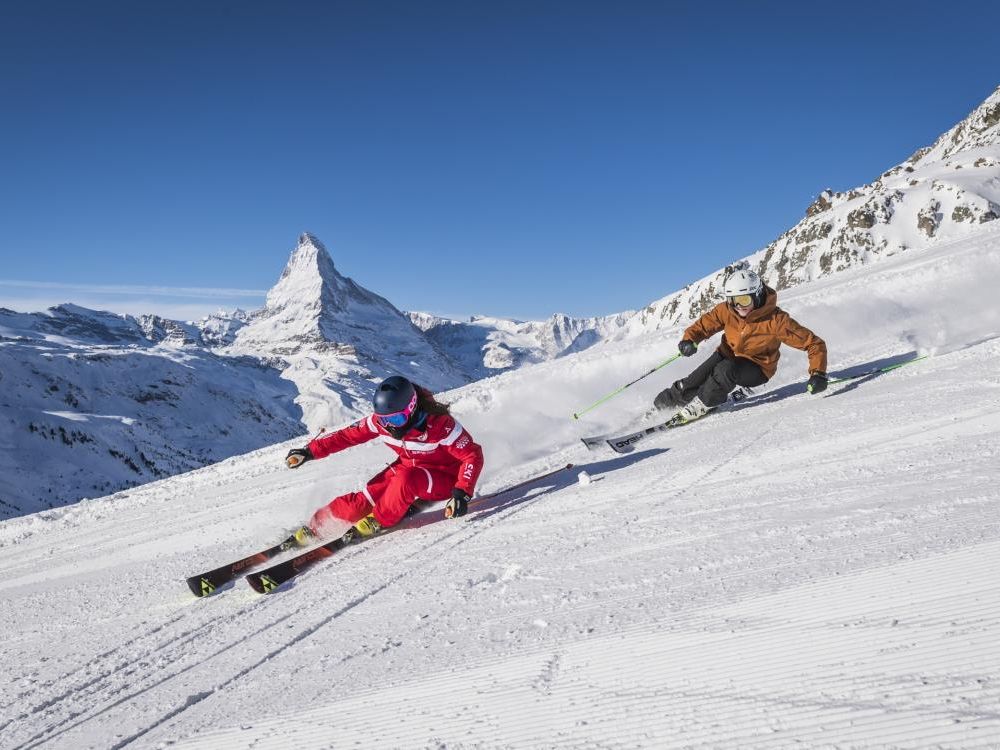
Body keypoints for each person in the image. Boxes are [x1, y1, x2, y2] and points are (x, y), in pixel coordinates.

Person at [285, 375, 484, 539]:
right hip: (407, 467)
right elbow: (346, 436)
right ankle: (317, 525)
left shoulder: (441, 425)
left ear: (412, 408)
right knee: (361, 502)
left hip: (445, 477)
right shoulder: (379, 424)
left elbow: (472, 455)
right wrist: (310, 451)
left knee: (407, 480)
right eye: (384, 419)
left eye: (397, 419)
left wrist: (461, 494)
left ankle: (378, 519)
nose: (390, 426)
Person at [653, 266, 828, 423]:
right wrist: (690, 339)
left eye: (744, 300)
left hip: (758, 368)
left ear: (757, 295)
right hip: (726, 355)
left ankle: (704, 403)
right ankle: (665, 404)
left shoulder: (776, 320)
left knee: (724, 371)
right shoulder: (727, 310)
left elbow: (814, 344)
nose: (738, 307)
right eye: (733, 300)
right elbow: (705, 324)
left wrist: (818, 374)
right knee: (694, 379)